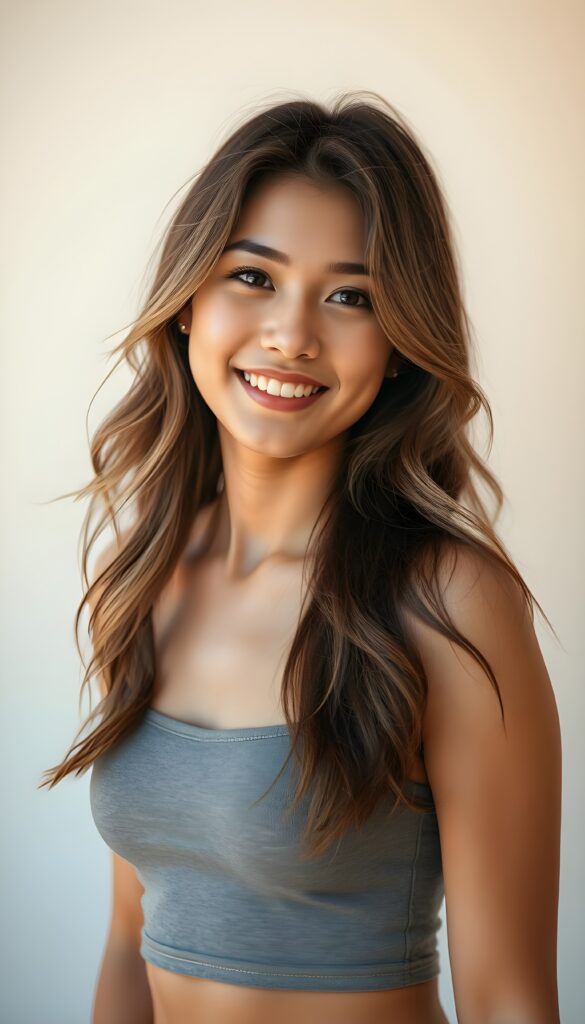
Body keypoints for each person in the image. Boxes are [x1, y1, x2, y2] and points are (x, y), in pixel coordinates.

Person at [39, 91, 562, 1024]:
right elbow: (129, 942)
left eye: (350, 296)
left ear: (399, 342)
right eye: (253, 277)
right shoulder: (143, 572)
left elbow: (508, 1001)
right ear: (189, 300)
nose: (292, 334)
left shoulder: (447, 600)